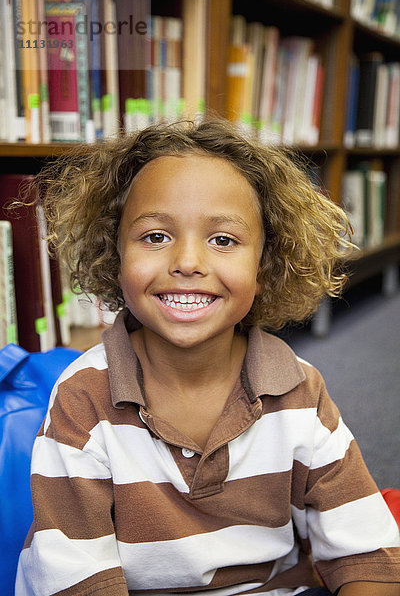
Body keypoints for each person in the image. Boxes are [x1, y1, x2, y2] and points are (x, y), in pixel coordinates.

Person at [15, 119, 400, 596]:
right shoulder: (81, 399)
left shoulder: (301, 389)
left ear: (265, 261)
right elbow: (78, 582)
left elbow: (367, 557)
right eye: (155, 236)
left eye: (223, 240)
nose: (188, 261)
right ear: (115, 254)